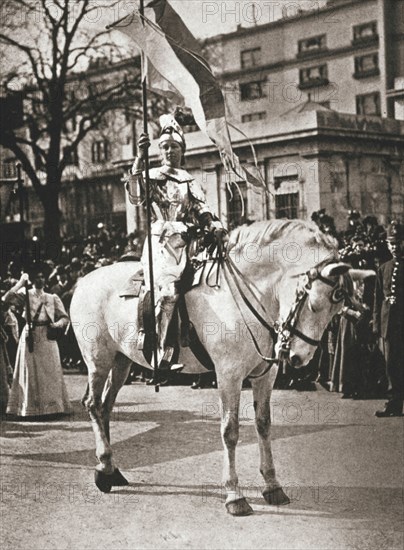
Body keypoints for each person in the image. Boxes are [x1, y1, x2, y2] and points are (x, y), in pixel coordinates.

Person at [126, 114, 225, 371]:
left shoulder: (188, 180)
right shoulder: (151, 175)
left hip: (188, 240)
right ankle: (159, 352)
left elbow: (202, 209)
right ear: (160, 151)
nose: (170, 151)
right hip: (162, 242)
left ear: (183, 150)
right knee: (168, 291)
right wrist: (139, 157)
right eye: (165, 146)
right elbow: (135, 196)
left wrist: (214, 225)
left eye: (175, 146)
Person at [3, 267, 72, 418]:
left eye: (42, 277)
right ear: (32, 280)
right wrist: (21, 282)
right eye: (37, 277)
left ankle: (53, 408)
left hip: (48, 335)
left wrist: (57, 325)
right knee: (31, 371)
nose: (40, 280)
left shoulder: (52, 297)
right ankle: (30, 409)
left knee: (50, 371)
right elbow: (5, 299)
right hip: (30, 336)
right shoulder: (25, 295)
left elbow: (64, 318)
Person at [373, 221, 404, 417]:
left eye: (398, 243)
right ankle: (394, 403)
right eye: (391, 243)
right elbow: (378, 299)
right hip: (390, 324)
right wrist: (377, 324)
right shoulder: (384, 268)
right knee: (391, 364)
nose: (394, 247)